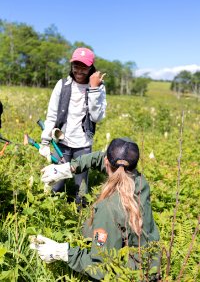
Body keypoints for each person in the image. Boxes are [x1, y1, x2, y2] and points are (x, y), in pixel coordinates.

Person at [30, 137, 160, 281]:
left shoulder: (109, 209)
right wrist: (69, 168)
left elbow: (102, 268)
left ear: (106, 162)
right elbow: (103, 160)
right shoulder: (140, 182)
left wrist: (64, 252)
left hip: (129, 276)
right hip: (151, 266)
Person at [39, 47, 107, 203]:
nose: (79, 70)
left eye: (84, 66)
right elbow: (52, 115)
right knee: (56, 183)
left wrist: (95, 89)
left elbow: (96, 117)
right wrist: (45, 141)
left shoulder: (98, 87)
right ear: (71, 66)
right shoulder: (62, 85)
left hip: (83, 144)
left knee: (81, 188)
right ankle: (51, 212)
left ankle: (80, 217)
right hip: (61, 142)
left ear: (91, 67)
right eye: (76, 66)